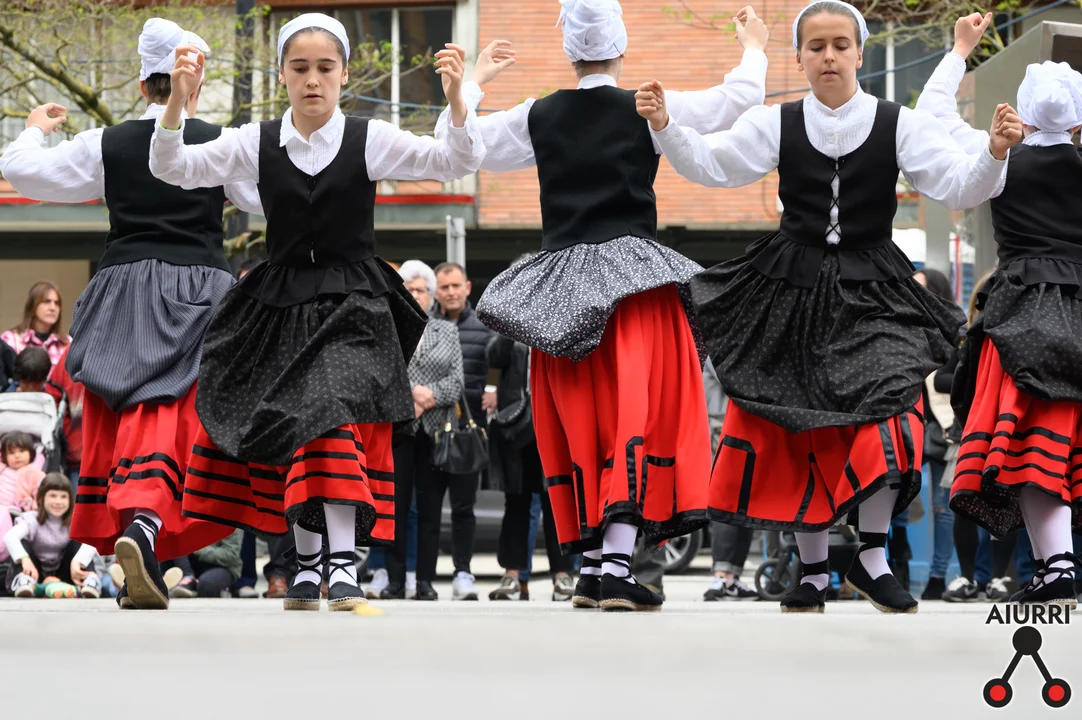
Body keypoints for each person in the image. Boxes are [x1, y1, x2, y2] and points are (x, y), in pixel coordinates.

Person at [640, 0, 1021, 614]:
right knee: (800, 424)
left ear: (860, 53)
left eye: (840, 45)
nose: (828, 56)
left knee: (893, 410)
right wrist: (665, 126)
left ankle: (872, 556)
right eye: (815, 46)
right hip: (792, 288)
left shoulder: (898, 123)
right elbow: (713, 165)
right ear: (798, 57)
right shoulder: (777, 122)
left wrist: (995, 152)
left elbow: (955, 183)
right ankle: (813, 572)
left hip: (874, 288)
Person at [434, 0, 769, 612]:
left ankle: (592, 566)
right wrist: (754, 47)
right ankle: (614, 565)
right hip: (634, 287)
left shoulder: (538, 114)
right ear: (620, 45)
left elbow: (458, 148)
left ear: (569, 49)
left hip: (562, 289)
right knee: (637, 415)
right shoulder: (647, 104)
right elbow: (736, 99)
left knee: (580, 421)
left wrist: (471, 85)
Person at [151, 12, 484, 612]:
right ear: (281, 73)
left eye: (325, 68)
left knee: (329, 411)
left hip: (354, 307)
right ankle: (308, 566)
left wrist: (459, 100)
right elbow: (171, 167)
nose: (312, 80)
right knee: (297, 429)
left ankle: (341, 565)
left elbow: (452, 161)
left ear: (344, 74)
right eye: (299, 68)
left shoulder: (370, 137)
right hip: (279, 307)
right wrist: (177, 101)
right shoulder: (254, 141)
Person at [0, 18, 265, 611]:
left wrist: (33, 129)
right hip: (198, 284)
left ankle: (141, 552)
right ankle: (147, 529)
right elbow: (269, 193)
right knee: (175, 410)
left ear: (143, 84)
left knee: (121, 407)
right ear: (192, 83)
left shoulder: (107, 142)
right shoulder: (218, 140)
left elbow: (22, 170)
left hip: (121, 285)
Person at [915, 12, 1082, 605]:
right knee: (1062, 442)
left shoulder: (1001, 157)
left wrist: (959, 50)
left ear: (1023, 115)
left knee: (1028, 445)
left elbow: (933, 116)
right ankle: (1056, 566)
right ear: (1078, 122)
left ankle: (1056, 565)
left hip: (1022, 314)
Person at [486, 322, 575, 603]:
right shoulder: (515, 322)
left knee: (557, 502)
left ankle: (562, 575)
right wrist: (512, 325)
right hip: (517, 426)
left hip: (555, 423)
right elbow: (493, 359)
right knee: (516, 503)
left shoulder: (561, 321)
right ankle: (513, 575)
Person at [392, 260, 464, 601]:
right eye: (409, 290)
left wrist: (428, 396)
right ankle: (395, 580)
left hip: (436, 430)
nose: (416, 295)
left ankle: (425, 581)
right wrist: (412, 396)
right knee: (396, 506)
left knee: (431, 509)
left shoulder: (447, 331)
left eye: (421, 290)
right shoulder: (390, 328)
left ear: (431, 295)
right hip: (400, 430)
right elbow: (384, 376)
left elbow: (457, 382)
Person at [429, 261, 489, 600]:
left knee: (465, 508)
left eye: (456, 286)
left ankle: (463, 572)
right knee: (427, 509)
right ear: (436, 291)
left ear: (467, 287)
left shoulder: (485, 325)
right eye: (444, 287)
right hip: (430, 430)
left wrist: (494, 394)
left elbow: (496, 371)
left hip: (468, 433)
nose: (451, 292)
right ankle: (423, 577)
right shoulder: (426, 326)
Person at [4, 473, 101, 598]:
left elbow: (93, 539)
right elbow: (9, 537)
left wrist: (78, 561)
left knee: (80, 541)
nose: (58, 501)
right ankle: (23, 581)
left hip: (66, 571)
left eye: (63, 497)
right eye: (53, 496)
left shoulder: (75, 521)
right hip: (34, 573)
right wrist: (24, 559)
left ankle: (88, 581)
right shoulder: (31, 519)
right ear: (41, 498)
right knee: (22, 542)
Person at [0, 282, 69, 369]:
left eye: (57, 303)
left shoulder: (68, 344)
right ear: (33, 305)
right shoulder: (11, 340)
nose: (53, 308)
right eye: (46, 301)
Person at [166, 529, 243, 599]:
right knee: (174, 538)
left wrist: (198, 549)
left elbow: (231, 555)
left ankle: (191, 587)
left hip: (223, 567)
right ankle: (188, 579)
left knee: (206, 586)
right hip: (189, 565)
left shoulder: (231, 522)